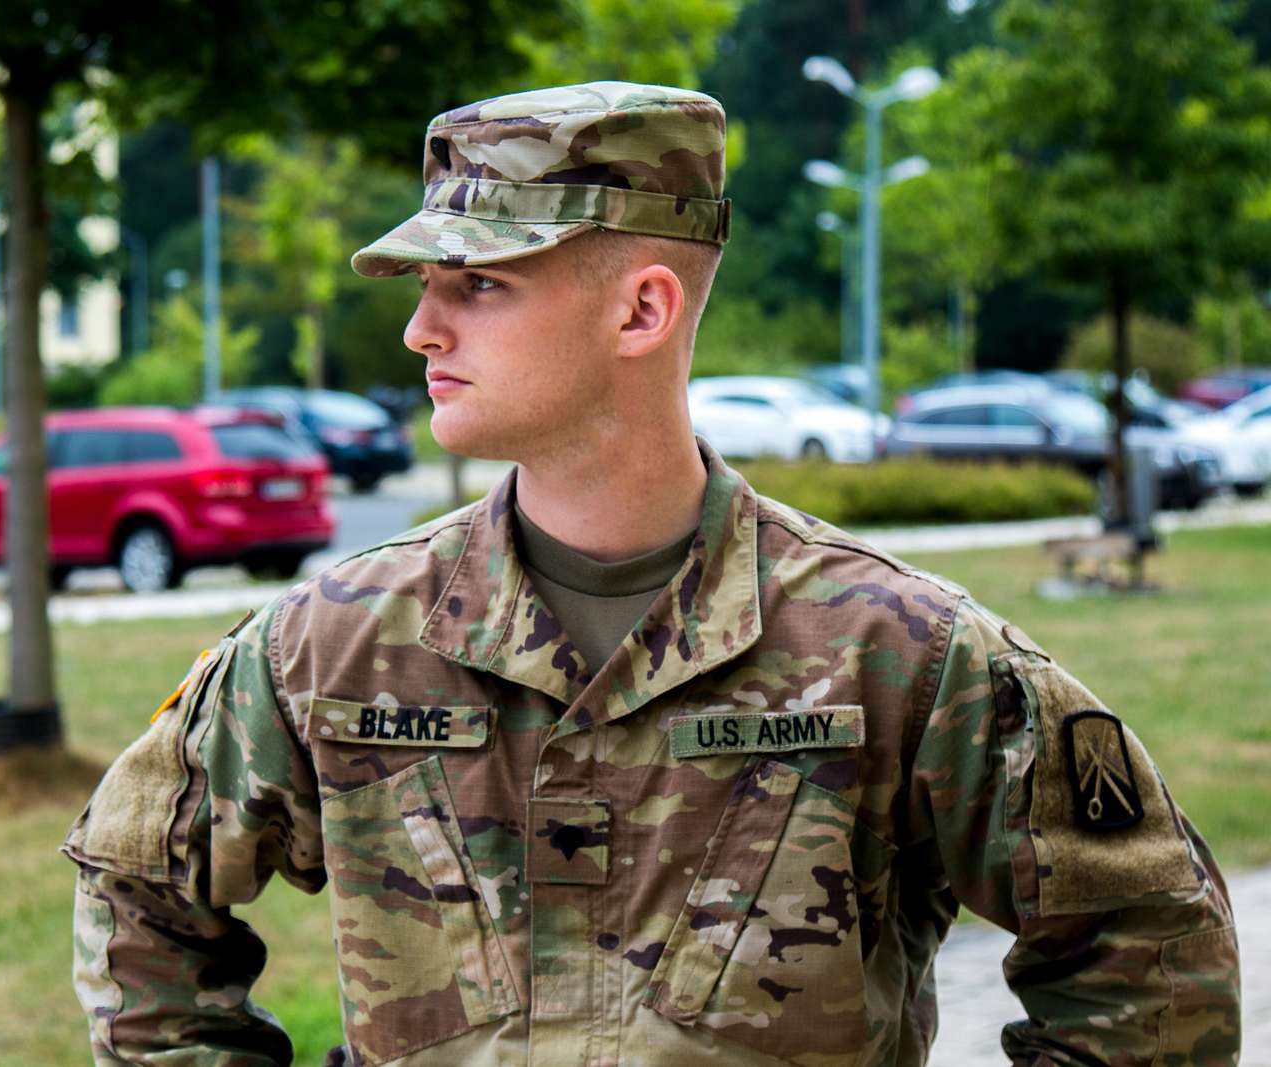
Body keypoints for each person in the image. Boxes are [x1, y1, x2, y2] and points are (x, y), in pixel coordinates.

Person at [64, 81, 1240, 1066]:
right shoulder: (334, 640)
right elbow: (138, 895)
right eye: (427, 286)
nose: (422, 329)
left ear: (641, 307)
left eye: (478, 283)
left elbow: (1151, 948)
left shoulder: (894, 650)